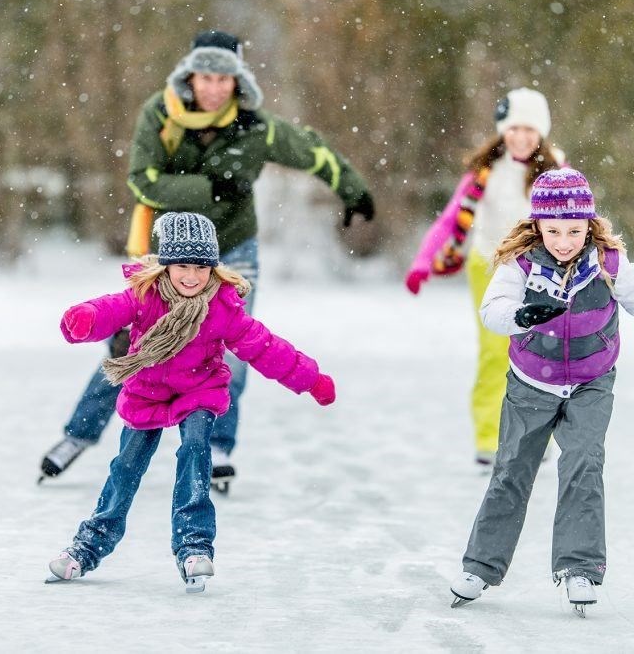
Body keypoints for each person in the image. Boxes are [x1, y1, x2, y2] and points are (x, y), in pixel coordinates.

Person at [39, 29, 374, 490]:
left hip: (233, 249)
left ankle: (218, 445)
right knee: (133, 346)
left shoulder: (257, 127)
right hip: (167, 253)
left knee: (234, 348)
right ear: (190, 76)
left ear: (237, 81)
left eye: (224, 78)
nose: (214, 87)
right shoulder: (160, 114)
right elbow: (143, 180)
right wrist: (210, 189)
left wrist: (353, 190)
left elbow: (313, 150)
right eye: (206, 77)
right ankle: (78, 435)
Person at [448, 168, 634, 615]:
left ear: (589, 223)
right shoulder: (522, 263)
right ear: (537, 227)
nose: (563, 240)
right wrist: (523, 316)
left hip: (591, 383)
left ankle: (579, 568)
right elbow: (493, 310)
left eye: (573, 230)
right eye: (553, 231)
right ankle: (480, 566)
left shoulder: (608, 264)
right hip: (530, 384)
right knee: (511, 471)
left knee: (584, 466)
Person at [47, 212, 336, 592]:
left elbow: (264, 347)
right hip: (147, 391)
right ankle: (89, 545)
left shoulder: (222, 306)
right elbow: (110, 309)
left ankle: (194, 545)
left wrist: (310, 379)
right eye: (182, 265)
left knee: (197, 451)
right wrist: (83, 318)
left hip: (198, 390)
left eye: (201, 266)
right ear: (165, 266)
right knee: (125, 468)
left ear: (213, 267)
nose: (191, 276)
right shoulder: (145, 296)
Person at [404, 88, 561, 468]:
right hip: (488, 268)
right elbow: (450, 219)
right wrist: (423, 262)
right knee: (496, 352)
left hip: (540, 269)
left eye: (529, 130)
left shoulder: (555, 173)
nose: (520, 137)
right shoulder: (485, 173)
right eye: (513, 129)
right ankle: (489, 437)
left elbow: (576, 224)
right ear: (503, 131)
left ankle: (538, 436)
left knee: (543, 353)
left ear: (540, 133)